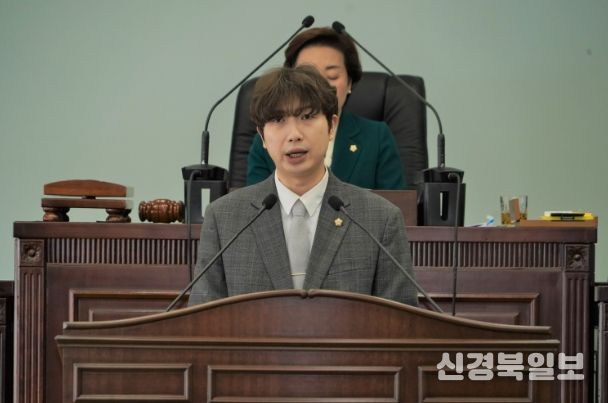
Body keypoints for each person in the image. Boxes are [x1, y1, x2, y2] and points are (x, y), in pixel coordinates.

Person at [188, 66, 417, 307]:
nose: (294, 134)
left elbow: (402, 323)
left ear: (331, 126)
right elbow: (203, 320)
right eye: (278, 120)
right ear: (262, 137)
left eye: (306, 117)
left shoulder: (380, 219)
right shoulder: (224, 219)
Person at [246, 27, 406, 190]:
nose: (319, 86)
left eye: (332, 77)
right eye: (307, 77)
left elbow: (395, 201)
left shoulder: (376, 137)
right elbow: (254, 200)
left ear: (349, 83)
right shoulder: (268, 139)